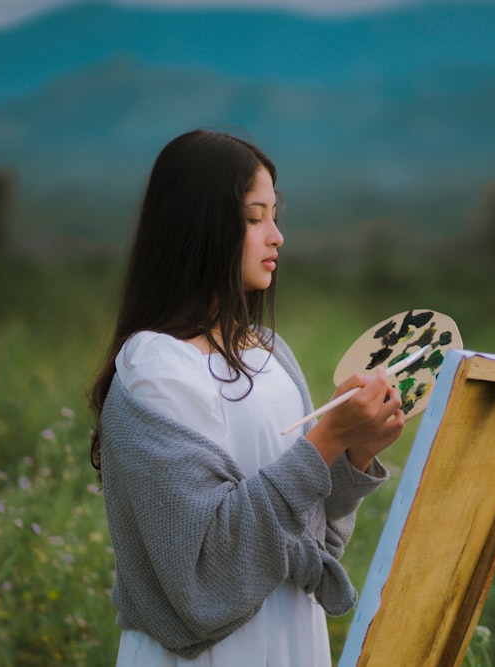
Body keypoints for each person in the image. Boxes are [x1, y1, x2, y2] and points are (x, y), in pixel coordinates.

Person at [88, 129, 405, 666]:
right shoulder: (157, 372)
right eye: (255, 218)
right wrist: (326, 441)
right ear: (199, 228)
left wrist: (354, 452)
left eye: (275, 216)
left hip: (292, 640)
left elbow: (314, 543)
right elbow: (205, 574)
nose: (276, 236)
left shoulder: (269, 354)